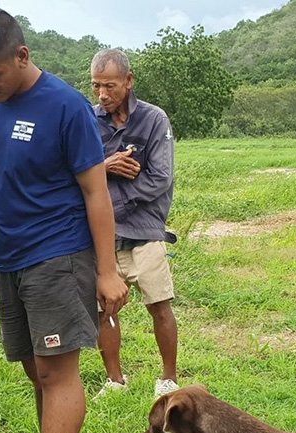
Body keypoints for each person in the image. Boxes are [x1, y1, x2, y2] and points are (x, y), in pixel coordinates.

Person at [0, 7, 128, 433]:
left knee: (57, 370)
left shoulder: (65, 106)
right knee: (36, 368)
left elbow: (95, 191)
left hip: (59, 253)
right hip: (11, 259)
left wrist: (107, 270)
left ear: (22, 56)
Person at [90, 48, 179, 398]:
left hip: (144, 231)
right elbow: (74, 170)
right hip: (103, 236)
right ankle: (115, 380)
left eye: (109, 86)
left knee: (159, 303)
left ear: (128, 81)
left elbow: (160, 177)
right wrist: (106, 165)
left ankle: (168, 379)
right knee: (105, 308)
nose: (102, 95)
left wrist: (112, 202)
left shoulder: (154, 120)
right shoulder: (87, 120)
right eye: (96, 86)